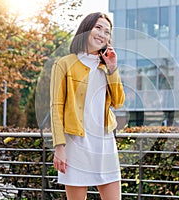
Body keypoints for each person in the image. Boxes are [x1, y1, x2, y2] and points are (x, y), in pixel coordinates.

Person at [50, 12, 125, 200]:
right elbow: (56, 107)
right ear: (86, 29)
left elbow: (118, 101)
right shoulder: (64, 64)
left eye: (107, 32)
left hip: (104, 143)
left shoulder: (106, 66)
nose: (102, 34)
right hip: (75, 145)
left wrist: (112, 69)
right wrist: (59, 147)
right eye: (98, 27)